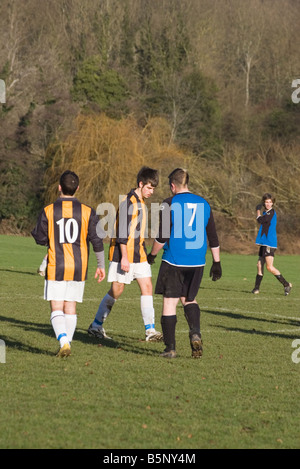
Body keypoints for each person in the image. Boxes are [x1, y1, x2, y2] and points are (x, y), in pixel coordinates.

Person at [147, 168, 222, 359]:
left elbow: (162, 237)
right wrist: (217, 262)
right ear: (186, 183)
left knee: (169, 302)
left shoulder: (168, 203)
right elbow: (213, 237)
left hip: (174, 260)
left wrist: (152, 255)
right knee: (189, 298)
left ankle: (170, 348)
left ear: (173, 185)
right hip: (197, 262)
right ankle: (195, 332)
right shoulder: (204, 204)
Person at [31, 170, 106, 357]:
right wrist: (101, 265)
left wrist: (50, 238)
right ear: (77, 189)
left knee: (56, 307)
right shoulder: (88, 211)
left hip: (56, 265)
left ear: (59, 188)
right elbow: (97, 240)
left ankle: (64, 342)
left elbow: (40, 238)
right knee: (70, 306)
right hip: (79, 267)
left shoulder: (49, 210)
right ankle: (68, 343)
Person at [88, 166, 163, 342]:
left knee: (147, 288)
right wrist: (124, 257)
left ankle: (150, 331)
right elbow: (122, 234)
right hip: (124, 255)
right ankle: (96, 326)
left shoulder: (141, 202)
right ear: (141, 184)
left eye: (153, 189)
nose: (151, 191)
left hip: (140, 255)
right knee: (117, 290)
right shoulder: (128, 202)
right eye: (149, 187)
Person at [252, 193, 292, 296]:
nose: (268, 204)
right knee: (259, 265)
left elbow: (260, 220)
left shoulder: (271, 213)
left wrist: (257, 211)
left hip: (269, 243)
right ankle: (256, 289)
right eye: (266, 202)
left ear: (273, 203)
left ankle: (286, 284)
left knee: (269, 267)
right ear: (264, 203)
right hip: (264, 243)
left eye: (270, 202)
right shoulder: (266, 212)